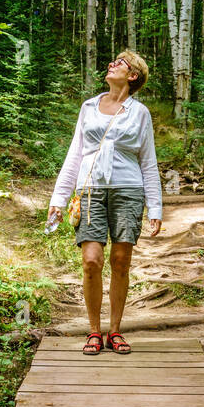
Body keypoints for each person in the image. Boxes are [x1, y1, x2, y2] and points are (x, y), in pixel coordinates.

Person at [47, 50, 163, 354]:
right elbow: (74, 155)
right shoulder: (88, 108)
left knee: (121, 262)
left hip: (128, 189)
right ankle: (94, 330)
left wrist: (156, 206)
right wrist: (59, 199)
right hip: (90, 190)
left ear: (133, 75)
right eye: (112, 62)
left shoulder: (140, 113)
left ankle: (115, 331)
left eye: (119, 63)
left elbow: (148, 162)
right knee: (91, 261)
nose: (111, 64)